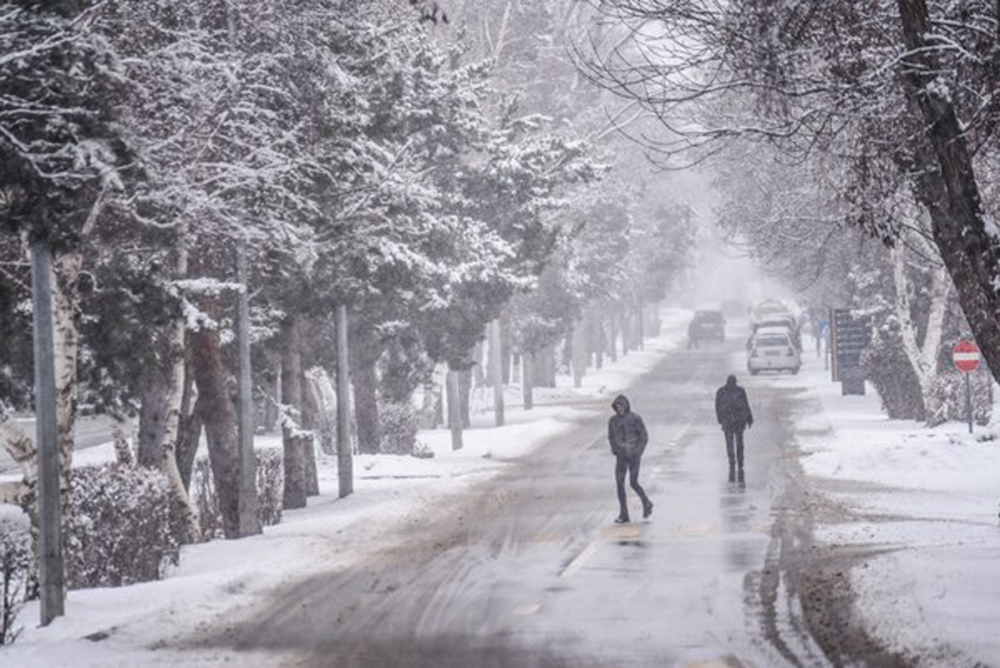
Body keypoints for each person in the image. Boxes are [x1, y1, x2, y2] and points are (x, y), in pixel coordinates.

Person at [608, 394, 653, 523]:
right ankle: (623, 513)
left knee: (633, 483)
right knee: (619, 484)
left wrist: (638, 451)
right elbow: (611, 437)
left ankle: (646, 502)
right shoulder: (613, 421)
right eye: (617, 407)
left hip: (634, 456)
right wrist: (615, 450)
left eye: (621, 406)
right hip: (621, 457)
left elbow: (644, 437)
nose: (619, 409)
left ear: (626, 406)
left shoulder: (635, 418)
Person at [715, 375, 754, 481]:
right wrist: (749, 418)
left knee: (729, 442)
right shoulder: (740, 391)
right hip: (739, 421)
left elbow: (717, 406)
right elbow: (746, 405)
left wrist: (720, 419)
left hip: (727, 421)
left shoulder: (721, 392)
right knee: (739, 441)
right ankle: (740, 460)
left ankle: (731, 460)